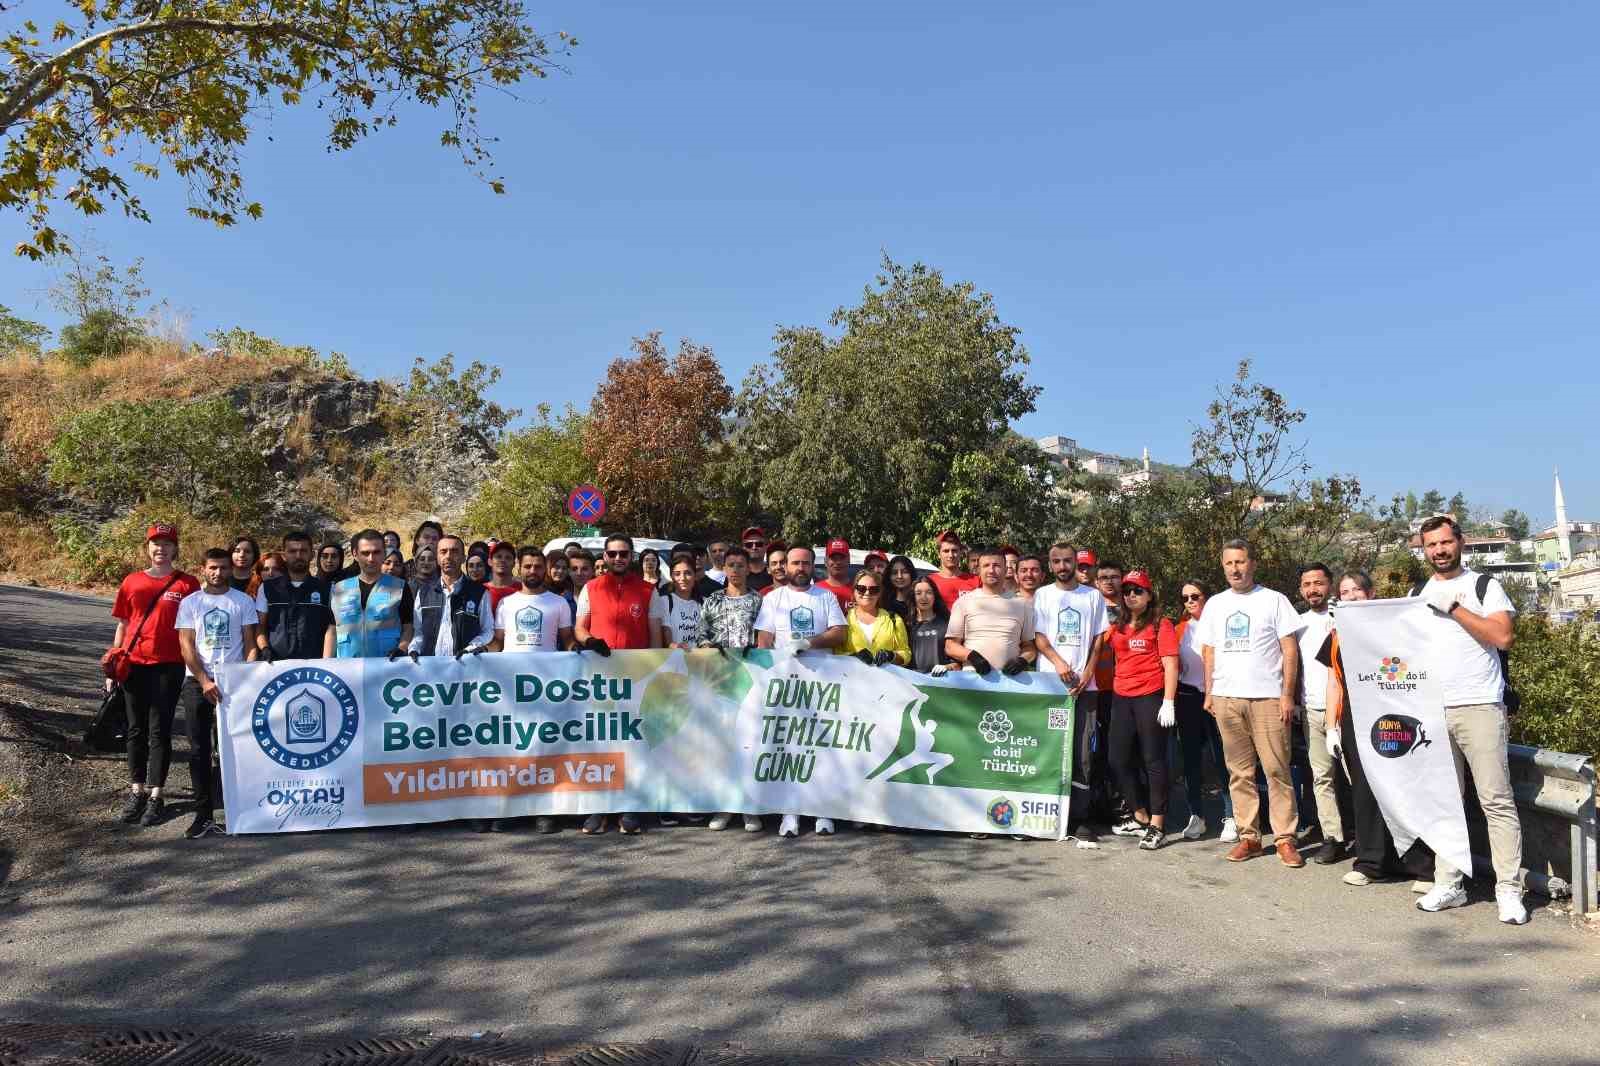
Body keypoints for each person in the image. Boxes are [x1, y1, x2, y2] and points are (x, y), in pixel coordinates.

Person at [1408, 515, 1525, 924]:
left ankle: (1509, 891)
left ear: (1460, 543)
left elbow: (1503, 637)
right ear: (1422, 549)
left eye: (1445, 542)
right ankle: (1449, 884)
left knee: (1496, 799)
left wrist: (1455, 608)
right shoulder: (1415, 592)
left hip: (1479, 705)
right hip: (1431, 710)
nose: (1439, 551)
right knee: (1445, 802)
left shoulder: (1484, 586)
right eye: (1431, 545)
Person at [1320, 570, 1434, 890]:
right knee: (1365, 791)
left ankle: (1421, 866)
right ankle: (1371, 862)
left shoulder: (1391, 624)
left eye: (1357, 590)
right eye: (1344, 592)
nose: (1351, 596)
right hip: (1356, 720)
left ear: (1370, 594)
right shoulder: (1337, 632)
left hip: (1395, 716)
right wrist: (1331, 726)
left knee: (1404, 789)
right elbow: (1334, 680)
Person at [1199, 539, 1306, 868]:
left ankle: (1285, 838)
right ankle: (1250, 837)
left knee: (1277, 770)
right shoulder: (1215, 604)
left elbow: (1290, 650)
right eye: (1230, 563)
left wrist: (1287, 695)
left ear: (1252, 564)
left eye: (1241, 562)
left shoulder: (1274, 600)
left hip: (1268, 699)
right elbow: (1209, 651)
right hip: (1227, 699)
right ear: (1223, 566)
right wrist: (1209, 692)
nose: (1236, 568)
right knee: (1239, 773)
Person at [107, 523, 200, 827]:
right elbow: (123, 624)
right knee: (136, 730)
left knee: (159, 730)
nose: (161, 548)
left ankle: (156, 794)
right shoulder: (132, 581)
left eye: (167, 543)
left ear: (176, 548)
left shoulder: (187, 584)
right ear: (147, 548)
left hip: (169, 665)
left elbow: (197, 628)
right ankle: (137, 790)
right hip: (133, 664)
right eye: (155, 544)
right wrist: (113, 662)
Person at [573, 535, 665, 835]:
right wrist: (590, 641)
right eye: (612, 554)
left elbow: (654, 636)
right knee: (601, 744)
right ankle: (599, 808)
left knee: (634, 745)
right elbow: (579, 628)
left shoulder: (648, 591)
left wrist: (653, 671)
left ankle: (630, 806)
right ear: (606, 556)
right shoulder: (591, 588)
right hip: (601, 679)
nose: (618, 558)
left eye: (623, 553)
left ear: (631, 556)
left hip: (636, 678)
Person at [755, 545, 847, 837]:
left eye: (805, 563)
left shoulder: (825, 596)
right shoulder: (773, 598)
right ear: (785, 567)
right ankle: (790, 812)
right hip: (786, 684)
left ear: (813, 565)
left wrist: (809, 643)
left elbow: (839, 632)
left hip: (821, 682)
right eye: (795, 563)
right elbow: (764, 639)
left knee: (821, 748)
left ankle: (823, 812)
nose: (800, 568)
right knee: (790, 749)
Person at [176, 548, 259, 838]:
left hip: (233, 683)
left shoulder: (243, 601)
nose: (218, 573)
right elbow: (186, 645)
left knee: (235, 749)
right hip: (198, 683)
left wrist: (245, 676)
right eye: (212, 567)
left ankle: (237, 811)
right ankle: (203, 815)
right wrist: (203, 679)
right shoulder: (191, 603)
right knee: (198, 750)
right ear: (203, 568)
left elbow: (250, 644)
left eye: (223, 568)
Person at [1031, 542, 1110, 842]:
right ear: (1049, 565)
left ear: (1076, 563)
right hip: (1051, 686)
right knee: (1051, 748)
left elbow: (1098, 639)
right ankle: (1048, 813)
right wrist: (1059, 663)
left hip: (1084, 689)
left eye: (1067, 561)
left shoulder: (1092, 596)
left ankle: (1080, 818)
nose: (1062, 566)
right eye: (1056, 562)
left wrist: (1088, 673)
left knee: (1082, 754)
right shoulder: (1043, 595)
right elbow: (1039, 637)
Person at [1105, 569, 1178, 851]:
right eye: (1127, 591)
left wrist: (1169, 701)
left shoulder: (1161, 624)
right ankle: (1140, 815)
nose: (1132, 596)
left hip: (1151, 696)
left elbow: (1171, 664)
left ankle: (1158, 824)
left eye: (1138, 591)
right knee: (1117, 760)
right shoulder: (1119, 626)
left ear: (1149, 595)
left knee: (1153, 760)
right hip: (1121, 697)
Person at [694, 547, 766, 832]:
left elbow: (766, 636)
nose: (735, 570)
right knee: (723, 745)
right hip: (719, 681)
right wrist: (708, 647)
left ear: (749, 568)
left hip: (750, 680)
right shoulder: (711, 600)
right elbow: (701, 634)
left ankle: (750, 808)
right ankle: (725, 806)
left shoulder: (759, 601)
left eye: (740, 565)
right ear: (723, 569)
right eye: (731, 565)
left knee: (748, 743)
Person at [1297, 562, 1350, 865]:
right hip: (1312, 709)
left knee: (1358, 778)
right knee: (1322, 777)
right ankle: (1334, 837)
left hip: (1347, 711)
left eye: (1318, 583)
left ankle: (1374, 839)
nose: (1313, 589)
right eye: (1307, 584)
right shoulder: (1298, 623)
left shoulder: (1345, 616)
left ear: (1330, 584)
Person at [1174, 579, 1234, 842]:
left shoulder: (1221, 625)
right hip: (1188, 697)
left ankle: (1231, 817)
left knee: (1223, 759)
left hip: (1217, 697)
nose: (1190, 602)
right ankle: (1196, 816)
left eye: (1195, 596)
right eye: (1185, 598)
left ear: (1206, 598)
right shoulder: (1179, 630)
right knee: (1190, 762)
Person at [945, 547, 1034, 677]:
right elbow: (950, 646)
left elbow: (1029, 647)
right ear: (979, 570)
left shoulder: (1022, 605)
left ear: (1005, 570)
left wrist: (1022, 660)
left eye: (997, 565)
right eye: (986, 565)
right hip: (973, 681)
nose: (991, 570)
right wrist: (971, 656)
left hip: (1011, 682)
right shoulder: (963, 602)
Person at [254, 531, 336, 663]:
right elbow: (260, 626)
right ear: (284, 555)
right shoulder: (267, 588)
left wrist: (326, 662)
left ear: (312, 555)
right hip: (275, 665)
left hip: (315, 666)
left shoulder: (327, 589)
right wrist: (264, 649)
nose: (298, 556)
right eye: (292, 551)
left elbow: (331, 628)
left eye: (303, 551)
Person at [332, 529, 414, 659]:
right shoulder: (338, 589)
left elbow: (408, 627)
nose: (371, 558)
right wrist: (326, 663)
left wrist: (401, 648)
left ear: (383, 554)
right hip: (347, 669)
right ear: (355, 554)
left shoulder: (400, 587)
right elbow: (331, 631)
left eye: (376, 552)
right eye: (365, 553)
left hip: (386, 665)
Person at [838, 569, 911, 667]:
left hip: (887, 680)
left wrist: (891, 656)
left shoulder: (894, 619)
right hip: (852, 679)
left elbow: (906, 654)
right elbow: (835, 653)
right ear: (854, 591)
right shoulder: (842, 619)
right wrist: (853, 657)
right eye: (861, 588)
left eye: (873, 590)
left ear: (879, 593)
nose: (867, 593)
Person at [908, 576, 956, 674]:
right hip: (913, 684)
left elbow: (958, 664)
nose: (923, 597)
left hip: (940, 683)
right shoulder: (906, 625)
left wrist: (947, 667)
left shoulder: (947, 624)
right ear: (913, 597)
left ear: (935, 596)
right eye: (918, 593)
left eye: (928, 592)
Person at [928, 530, 980, 610]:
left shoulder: (976, 581)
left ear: (961, 552)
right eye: (946, 551)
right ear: (939, 554)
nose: (951, 555)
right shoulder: (929, 581)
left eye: (954, 550)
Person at [660, 555, 703, 649]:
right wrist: (675, 646)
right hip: (674, 660)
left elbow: (707, 635)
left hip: (700, 660)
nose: (682, 578)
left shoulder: (704, 602)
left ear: (695, 575)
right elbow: (666, 635)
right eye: (677, 574)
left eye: (688, 573)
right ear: (671, 576)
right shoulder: (664, 601)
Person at [816, 538, 855, 613]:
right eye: (833, 558)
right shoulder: (815, 589)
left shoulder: (861, 590)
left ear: (849, 560)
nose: (838, 562)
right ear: (825, 561)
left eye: (842, 558)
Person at [484, 540, 519, 616]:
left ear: (514, 563)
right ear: (490, 562)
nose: (503, 560)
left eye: (508, 557)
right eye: (498, 556)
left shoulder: (522, 589)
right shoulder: (481, 590)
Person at [884, 555, 917, 619]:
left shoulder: (920, 601)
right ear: (889, 576)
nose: (899, 576)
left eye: (904, 572)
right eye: (894, 573)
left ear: (911, 574)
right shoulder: (884, 603)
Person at [741, 527, 773, 592]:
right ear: (743, 548)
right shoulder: (737, 574)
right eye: (749, 545)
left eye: (759, 544)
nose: (754, 547)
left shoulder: (774, 572)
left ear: (765, 547)